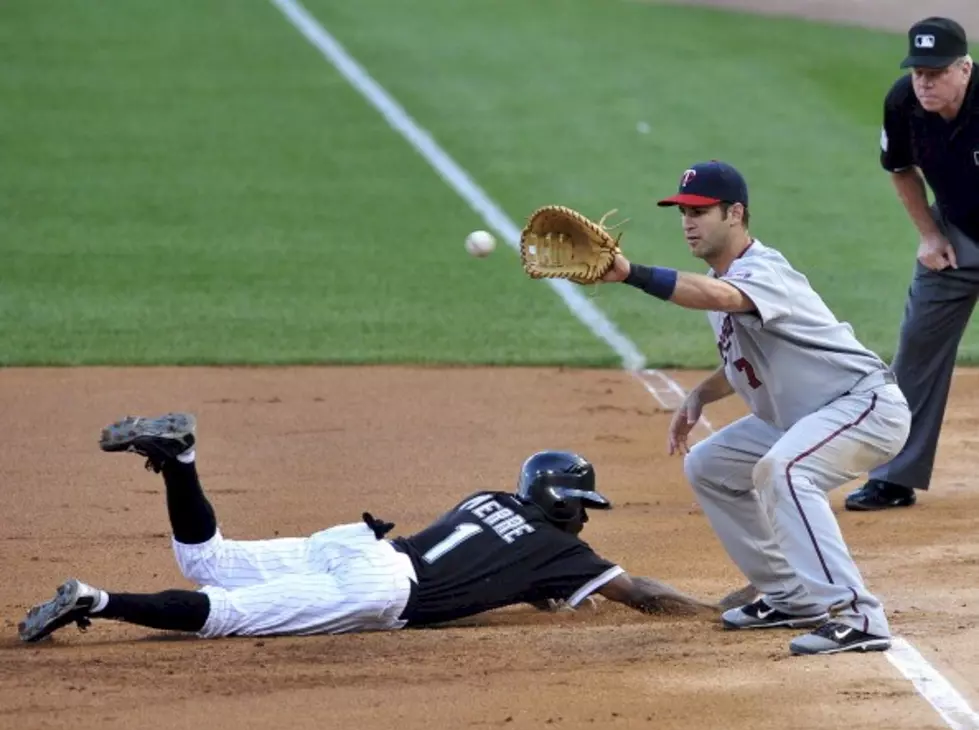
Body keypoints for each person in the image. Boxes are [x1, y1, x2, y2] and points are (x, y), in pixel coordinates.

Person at [19, 413, 720, 643]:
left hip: (357, 544)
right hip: (380, 590)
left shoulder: (487, 499)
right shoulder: (561, 551)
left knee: (211, 561)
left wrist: (546, 592)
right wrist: (714, 611)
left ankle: (182, 460)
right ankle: (96, 600)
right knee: (227, 615)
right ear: (568, 503)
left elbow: (504, 570)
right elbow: (640, 592)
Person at [600, 160, 911, 655]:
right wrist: (701, 394)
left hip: (863, 406)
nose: (688, 222)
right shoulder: (721, 278)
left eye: (700, 211)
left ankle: (859, 615)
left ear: (736, 214)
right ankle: (792, 597)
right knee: (709, 465)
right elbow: (746, 362)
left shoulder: (763, 271)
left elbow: (719, 296)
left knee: (784, 471)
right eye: (682, 212)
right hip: (808, 416)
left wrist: (631, 274)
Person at [846, 17, 979, 511]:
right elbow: (900, 168)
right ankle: (893, 476)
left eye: (937, 72)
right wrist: (929, 234)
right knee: (918, 346)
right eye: (919, 70)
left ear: (964, 69)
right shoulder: (903, 101)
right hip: (958, 232)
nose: (924, 81)